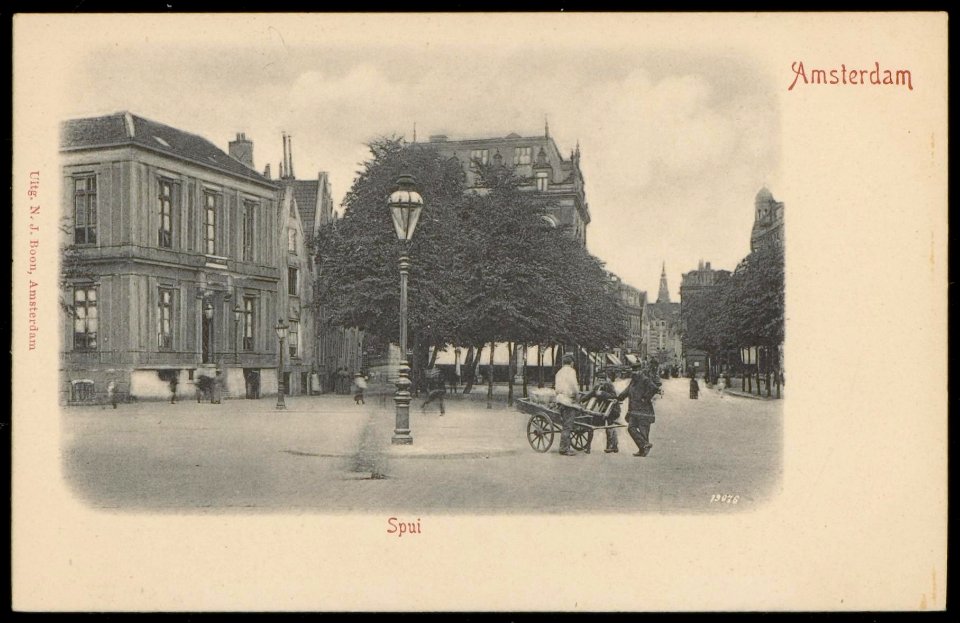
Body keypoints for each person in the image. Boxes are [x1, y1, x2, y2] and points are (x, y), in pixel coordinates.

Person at [618, 361, 662, 457]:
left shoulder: (645, 379)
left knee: (643, 430)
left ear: (640, 371)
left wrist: (645, 398)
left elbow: (654, 388)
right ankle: (643, 446)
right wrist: (618, 398)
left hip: (644, 410)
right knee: (631, 428)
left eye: (636, 371)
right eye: (633, 371)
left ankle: (643, 450)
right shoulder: (633, 381)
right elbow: (627, 391)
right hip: (633, 410)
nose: (634, 372)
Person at [582, 369, 620, 453]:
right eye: (599, 380)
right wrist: (582, 400)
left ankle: (612, 446)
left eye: (603, 380)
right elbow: (590, 394)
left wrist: (602, 393)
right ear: (597, 380)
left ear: (606, 380)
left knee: (610, 426)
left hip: (613, 409)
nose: (601, 382)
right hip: (603, 410)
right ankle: (588, 447)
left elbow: (614, 396)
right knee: (591, 425)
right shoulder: (597, 387)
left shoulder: (609, 386)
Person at [554, 353, 580, 456]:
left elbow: (556, 389)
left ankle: (565, 447)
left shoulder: (559, 372)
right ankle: (564, 449)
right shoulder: (571, 371)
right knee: (567, 426)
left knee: (565, 424)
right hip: (568, 401)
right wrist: (577, 395)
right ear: (572, 363)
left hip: (560, 399)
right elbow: (574, 385)